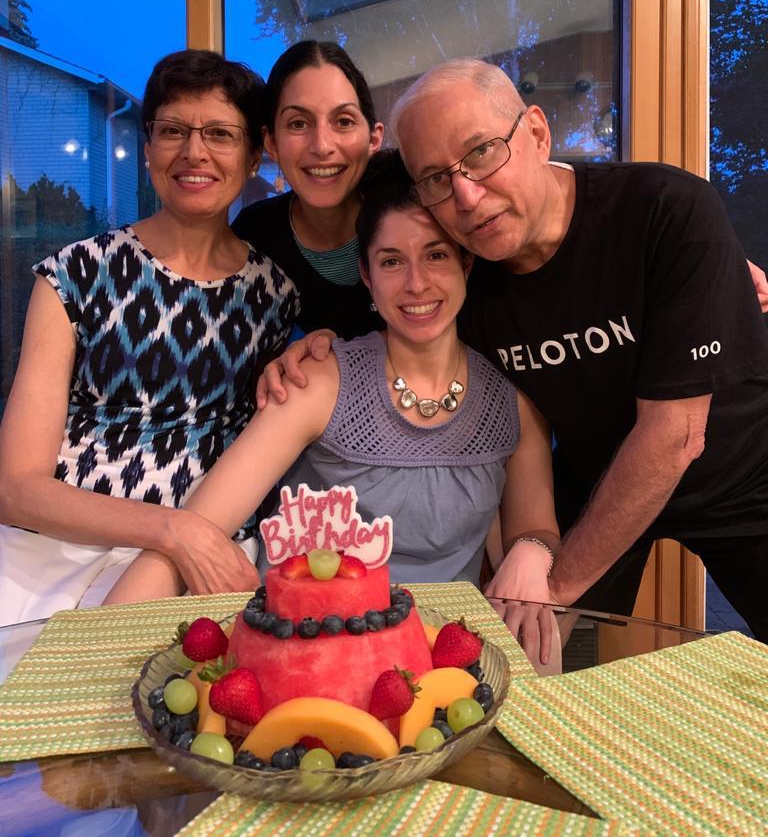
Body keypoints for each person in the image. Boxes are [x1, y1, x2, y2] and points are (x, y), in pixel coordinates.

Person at [105, 151, 560, 661]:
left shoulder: (511, 401)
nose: (416, 284)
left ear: (466, 263)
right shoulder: (318, 379)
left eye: (435, 255)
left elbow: (538, 528)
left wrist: (531, 550)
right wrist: (93, 667)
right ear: (366, 276)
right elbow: (199, 528)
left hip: (439, 663)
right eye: (392, 261)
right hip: (303, 656)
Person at [385, 57, 768, 642]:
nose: (465, 194)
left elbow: (675, 437)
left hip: (743, 475)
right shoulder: (463, 273)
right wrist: (315, 342)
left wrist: (559, 586)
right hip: (599, 480)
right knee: (518, 655)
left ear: (537, 133)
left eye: (483, 151)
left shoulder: (666, 208)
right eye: (436, 178)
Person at [0, 49, 299, 625]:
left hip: (203, 565)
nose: (194, 152)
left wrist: (190, 539)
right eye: (172, 132)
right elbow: (15, 486)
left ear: (253, 154)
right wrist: (174, 529)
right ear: (147, 149)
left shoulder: (275, 296)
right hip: (50, 552)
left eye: (219, 133)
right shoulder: (74, 275)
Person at [232, 40, 385, 339]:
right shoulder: (252, 239)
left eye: (343, 121)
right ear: (272, 143)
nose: (322, 146)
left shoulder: (410, 218)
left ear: (373, 138)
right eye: (299, 123)